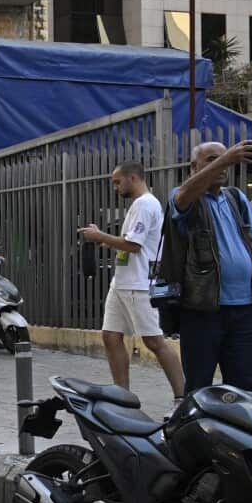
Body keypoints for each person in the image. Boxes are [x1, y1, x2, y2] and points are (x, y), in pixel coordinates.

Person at [162, 140, 252, 393]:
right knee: (199, 387)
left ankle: (242, 432)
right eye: (212, 159)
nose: (223, 163)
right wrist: (227, 158)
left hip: (244, 310)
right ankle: (195, 432)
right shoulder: (184, 196)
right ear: (194, 167)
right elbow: (183, 197)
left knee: (247, 386)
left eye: (225, 158)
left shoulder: (235, 198)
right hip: (202, 310)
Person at [78, 161, 186, 403]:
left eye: (118, 182)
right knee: (110, 336)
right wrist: (107, 240)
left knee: (154, 341)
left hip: (139, 286)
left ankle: (182, 395)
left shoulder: (145, 205)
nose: (115, 187)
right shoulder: (139, 205)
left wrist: (99, 236)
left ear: (133, 178)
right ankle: (122, 395)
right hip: (123, 283)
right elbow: (130, 242)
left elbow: (134, 245)